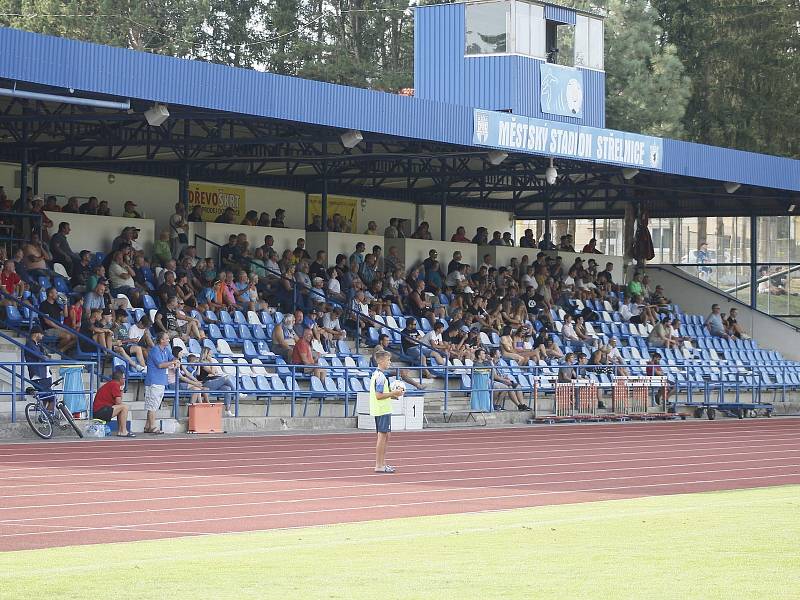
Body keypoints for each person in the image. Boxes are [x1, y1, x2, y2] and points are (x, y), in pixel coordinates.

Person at [370, 350, 404, 474]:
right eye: (388, 360)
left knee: (386, 436)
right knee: (382, 436)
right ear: (380, 361)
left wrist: (394, 395)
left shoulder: (380, 375)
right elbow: (379, 395)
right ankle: (379, 465)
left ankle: (382, 463)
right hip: (381, 409)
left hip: (382, 408)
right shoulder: (380, 377)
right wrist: (393, 393)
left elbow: (382, 394)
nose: (389, 362)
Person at [144, 332, 178, 434]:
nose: (168, 340)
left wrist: (176, 360)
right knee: (152, 406)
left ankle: (147, 426)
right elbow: (160, 365)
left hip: (161, 380)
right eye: (166, 338)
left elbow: (172, 357)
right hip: (154, 381)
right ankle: (153, 427)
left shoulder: (166, 350)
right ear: (161, 340)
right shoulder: (155, 350)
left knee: (154, 405)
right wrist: (172, 363)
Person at [92, 370, 135, 437]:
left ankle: (121, 431)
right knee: (124, 407)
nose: (125, 380)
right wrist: (121, 391)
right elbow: (118, 402)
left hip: (100, 410)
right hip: (100, 411)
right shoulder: (115, 384)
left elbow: (118, 402)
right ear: (120, 379)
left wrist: (121, 390)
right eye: (124, 378)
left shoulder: (111, 384)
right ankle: (123, 431)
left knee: (122, 407)